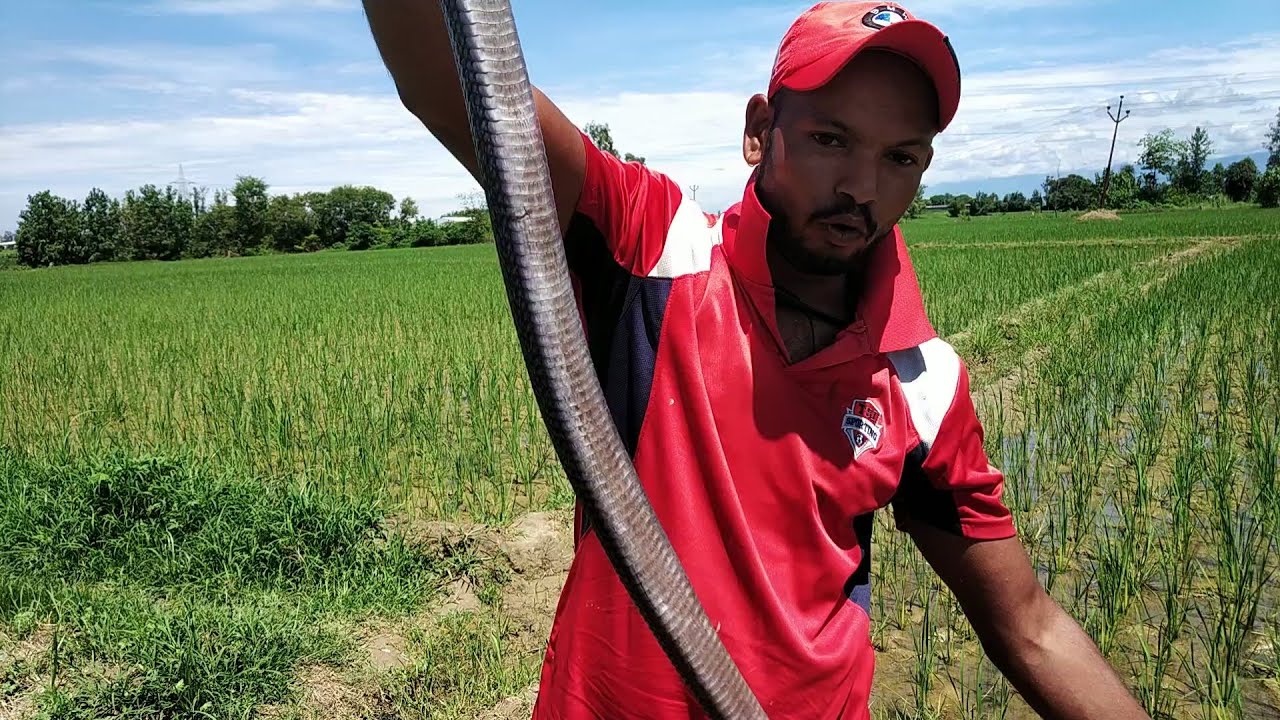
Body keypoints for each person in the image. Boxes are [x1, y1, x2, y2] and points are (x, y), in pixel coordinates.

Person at [360, 2, 1152, 718]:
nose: (861, 188)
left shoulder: (923, 382)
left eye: (901, 158)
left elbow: (1029, 626)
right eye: (830, 139)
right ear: (759, 130)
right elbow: (448, 82)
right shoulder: (656, 252)